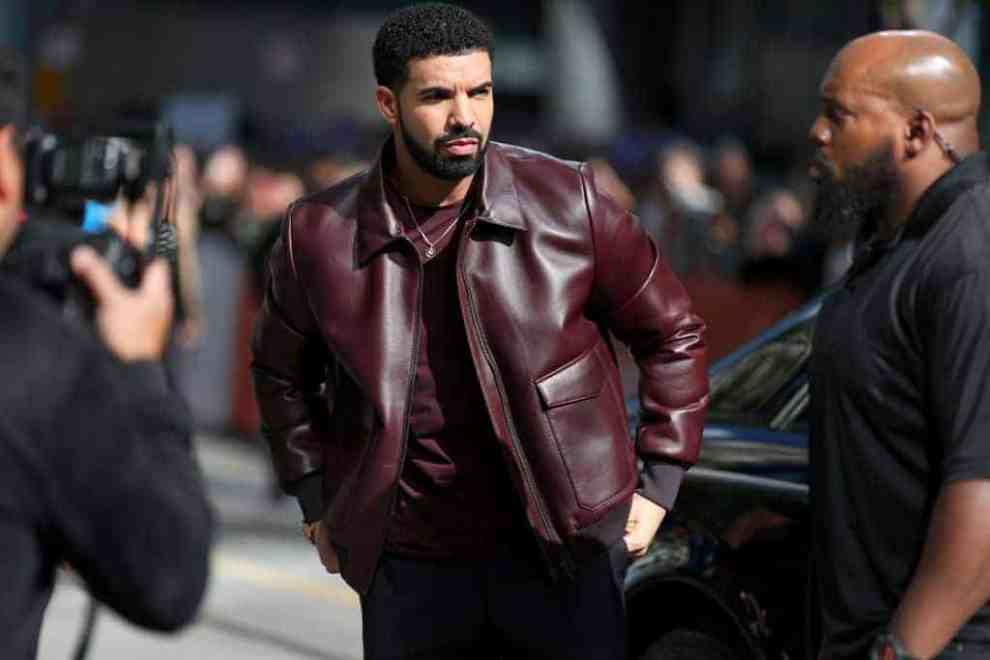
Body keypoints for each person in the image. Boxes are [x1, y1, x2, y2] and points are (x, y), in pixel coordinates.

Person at [252, 4, 708, 659]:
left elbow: (673, 332)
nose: (466, 115)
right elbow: (278, 372)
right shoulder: (318, 233)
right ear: (388, 103)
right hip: (409, 568)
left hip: (564, 554)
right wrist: (315, 496)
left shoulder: (568, 203)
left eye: (481, 91)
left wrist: (659, 482)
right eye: (438, 95)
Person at [0, 50, 213, 659]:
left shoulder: (171, 189)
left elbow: (173, 243)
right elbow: (168, 582)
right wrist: (141, 372)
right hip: (117, 297)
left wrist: (176, 271)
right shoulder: (37, 368)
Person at [807, 30, 989, 659]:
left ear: (916, 131)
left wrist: (901, 650)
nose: (817, 132)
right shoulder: (895, 243)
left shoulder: (972, 257)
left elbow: (983, 494)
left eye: (839, 114)